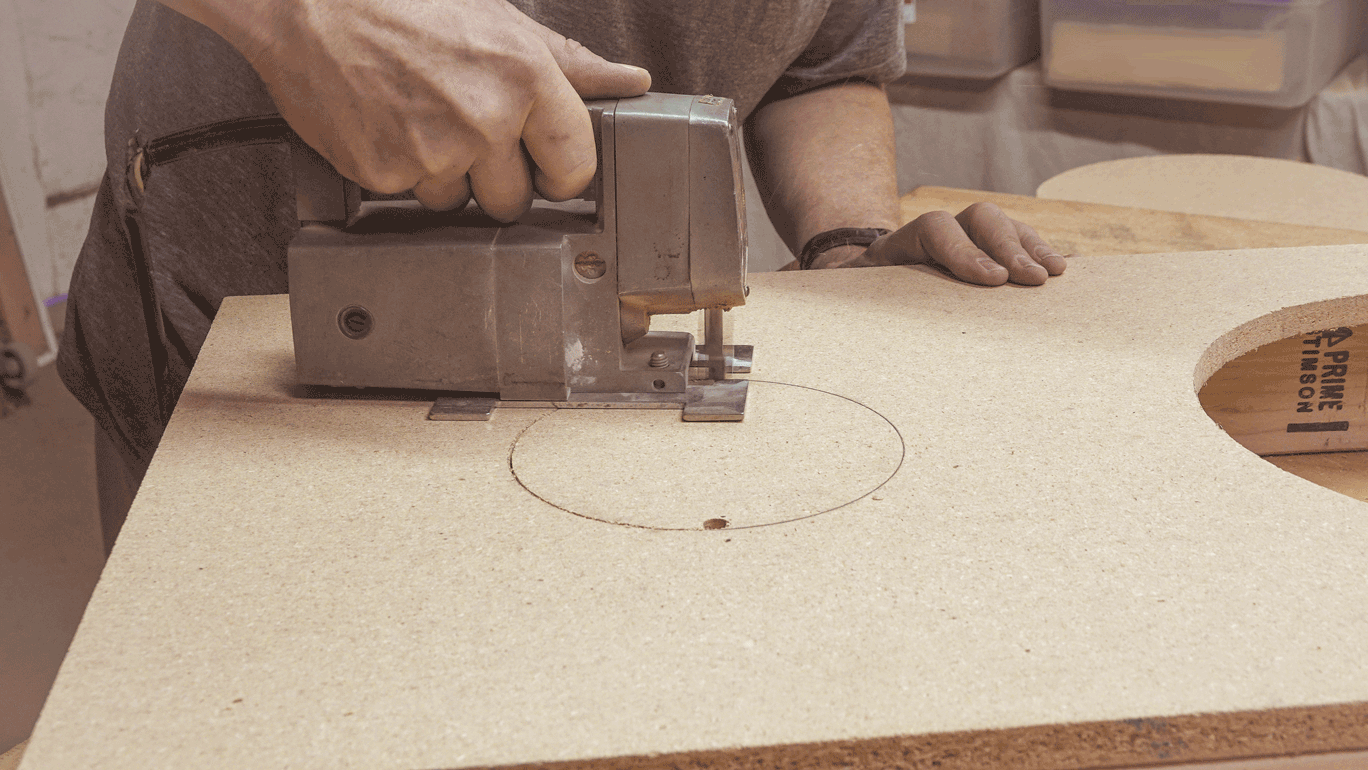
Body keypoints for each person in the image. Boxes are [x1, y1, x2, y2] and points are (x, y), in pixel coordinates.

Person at [58, 0, 1070, 553]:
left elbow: (822, 52)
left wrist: (848, 246)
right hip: (244, 359)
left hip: (587, 373)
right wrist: (305, 16)